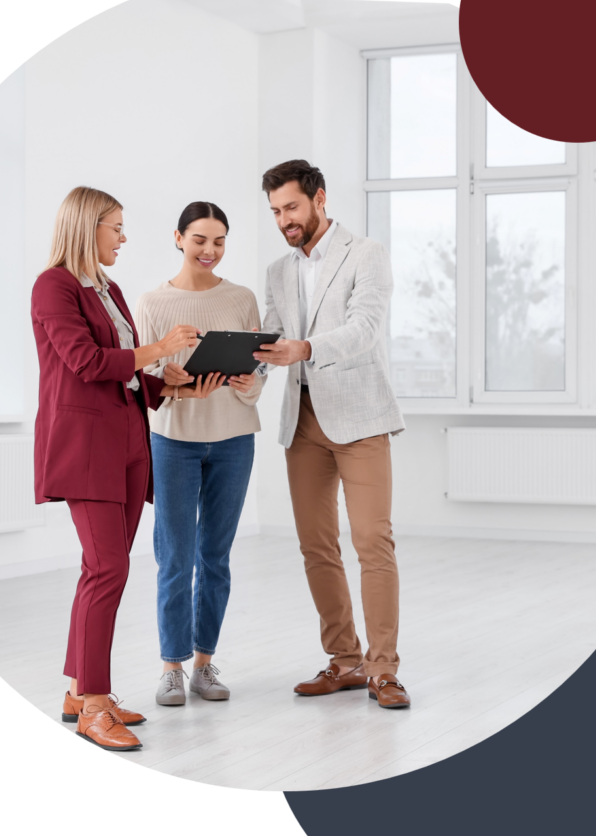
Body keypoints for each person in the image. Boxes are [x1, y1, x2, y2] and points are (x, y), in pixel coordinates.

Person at [31, 186, 224, 752]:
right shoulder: (54, 286)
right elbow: (87, 362)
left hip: (126, 447)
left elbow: (129, 376)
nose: (122, 237)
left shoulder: (108, 289)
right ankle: (94, 704)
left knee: (101, 571)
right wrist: (160, 344)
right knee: (107, 569)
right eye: (115, 227)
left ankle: (78, 692)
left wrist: (175, 384)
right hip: (85, 449)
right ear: (87, 228)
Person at [253, 160, 411, 708]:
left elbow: (364, 330)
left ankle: (383, 669)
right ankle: (344, 660)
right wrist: (240, 364)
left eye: (291, 207)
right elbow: (272, 337)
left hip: (360, 419)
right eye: (275, 211)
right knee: (317, 546)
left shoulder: (365, 254)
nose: (284, 220)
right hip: (302, 421)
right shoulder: (277, 270)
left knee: (372, 542)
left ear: (320, 198)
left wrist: (306, 348)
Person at [135, 201, 264, 707]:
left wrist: (246, 381)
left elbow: (257, 375)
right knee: (175, 554)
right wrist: (171, 381)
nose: (210, 250)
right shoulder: (151, 303)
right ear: (177, 238)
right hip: (172, 440)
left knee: (215, 555)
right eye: (200, 240)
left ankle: (205, 663)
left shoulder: (241, 298)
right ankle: (172, 666)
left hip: (234, 437)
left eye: (219, 241)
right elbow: (143, 381)